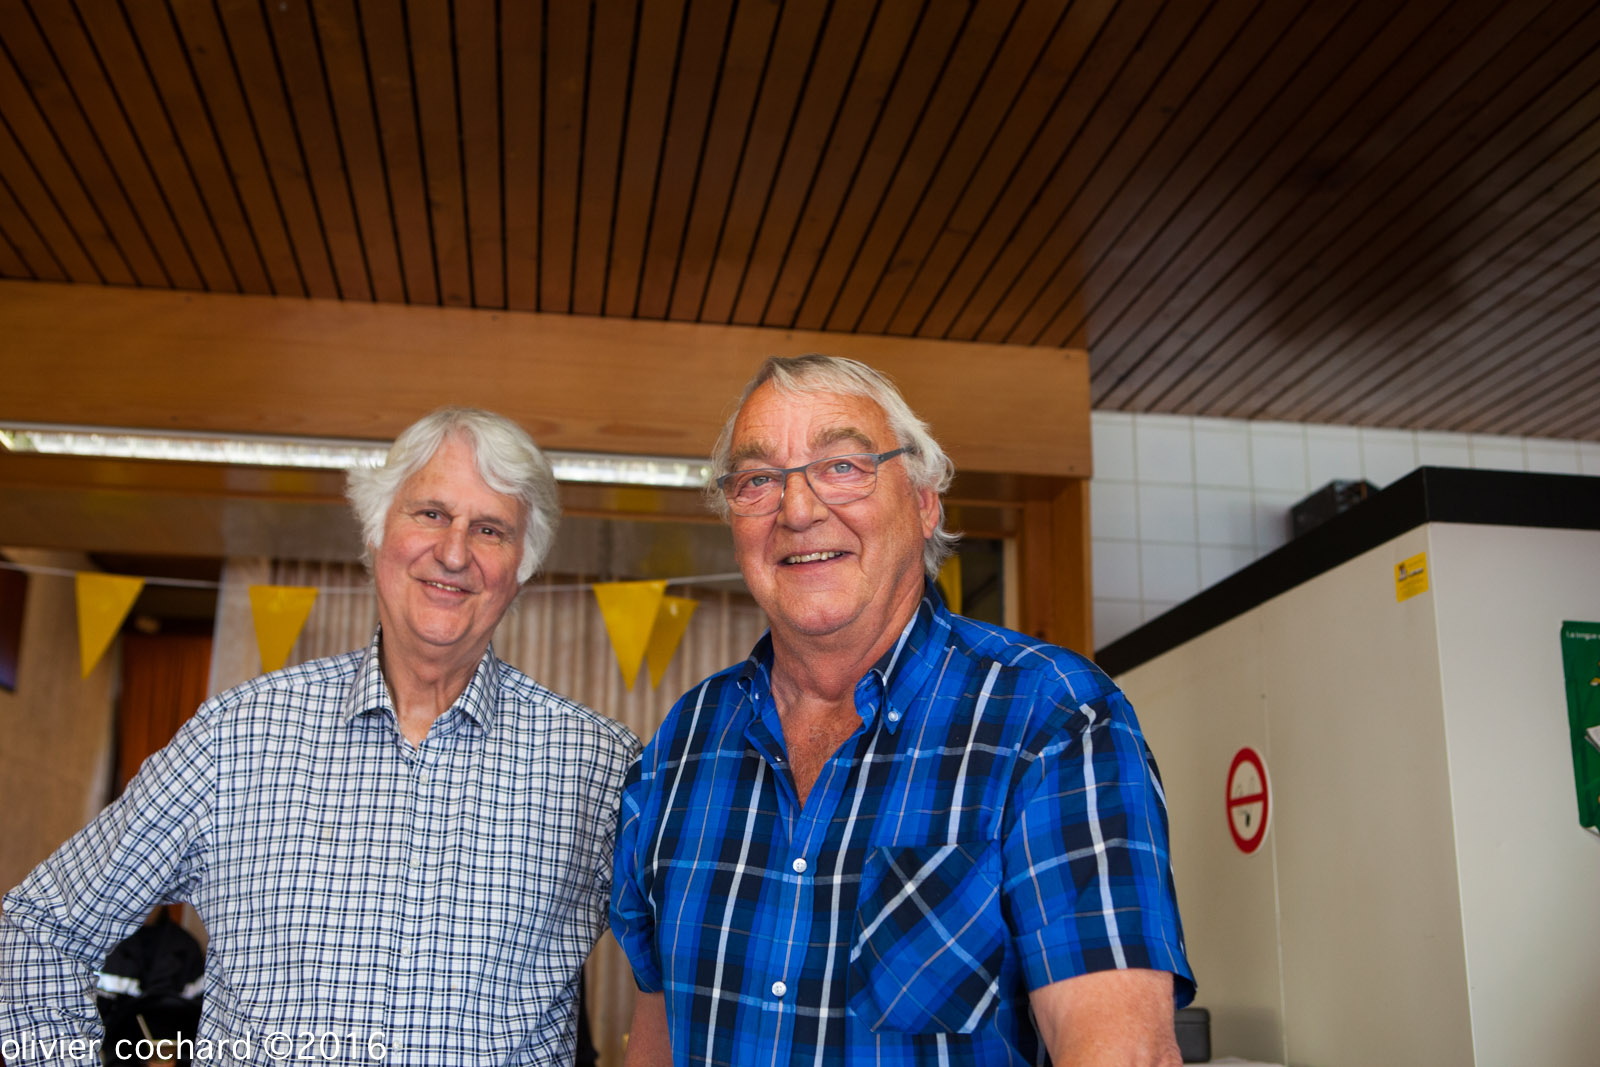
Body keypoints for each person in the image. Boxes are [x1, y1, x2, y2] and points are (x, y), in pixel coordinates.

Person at [1, 408, 639, 1067]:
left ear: (522, 564)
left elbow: (688, 972)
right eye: (431, 513)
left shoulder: (601, 767)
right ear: (376, 529)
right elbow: (40, 929)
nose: (454, 553)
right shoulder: (235, 737)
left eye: (490, 529)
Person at [611, 356, 1194, 1065]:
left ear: (924, 503)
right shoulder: (683, 741)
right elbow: (659, 1028)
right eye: (758, 479)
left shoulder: (1052, 719)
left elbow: (1120, 1051)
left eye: (842, 467)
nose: (797, 510)